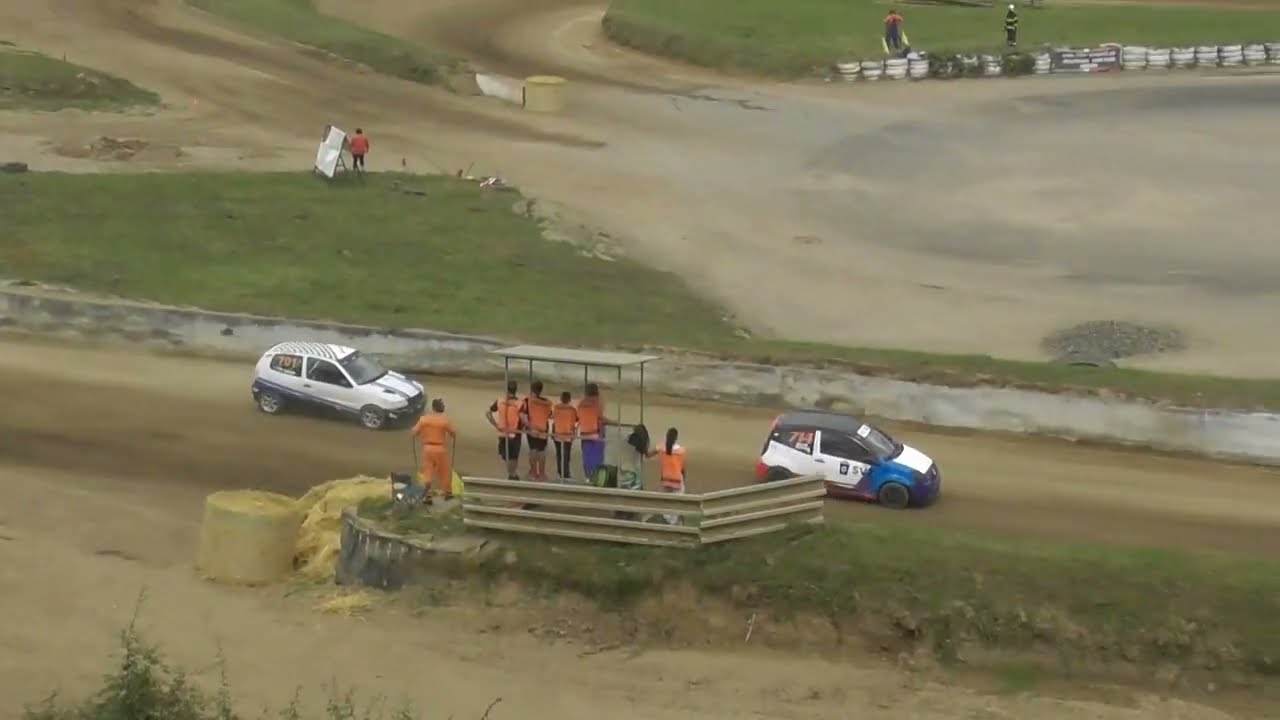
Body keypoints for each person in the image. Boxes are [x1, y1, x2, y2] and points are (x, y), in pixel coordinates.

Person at [411, 398, 458, 502]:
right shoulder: (444, 420)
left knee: (428, 472)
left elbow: (414, 432)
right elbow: (454, 433)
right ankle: (447, 493)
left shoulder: (424, 419)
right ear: (441, 408)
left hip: (427, 448)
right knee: (444, 471)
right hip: (440, 448)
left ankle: (427, 495)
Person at [645, 427, 686, 525]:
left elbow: (648, 454)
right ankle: (673, 522)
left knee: (666, 502)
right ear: (676, 438)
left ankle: (666, 520)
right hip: (676, 480)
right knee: (677, 503)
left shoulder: (661, 447)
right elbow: (682, 468)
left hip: (665, 480)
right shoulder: (681, 450)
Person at [486, 380, 523, 480]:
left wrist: (496, 425)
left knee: (507, 455)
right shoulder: (520, 403)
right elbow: (523, 417)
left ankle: (512, 474)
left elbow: (488, 413)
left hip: (502, 432)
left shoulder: (500, 400)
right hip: (515, 432)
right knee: (513, 456)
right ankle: (512, 474)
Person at [576, 382, 614, 481]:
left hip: (584, 432)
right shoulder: (597, 403)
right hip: (596, 432)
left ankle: (588, 476)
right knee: (598, 456)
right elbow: (600, 418)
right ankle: (596, 475)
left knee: (587, 456)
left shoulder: (581, 404)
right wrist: (613, 422)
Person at [521, 380, 554, 481]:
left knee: (533, 450)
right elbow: (550, 415)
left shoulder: (528, 400)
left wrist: (527, 426)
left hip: (532, 428)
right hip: (543, 428)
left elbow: (524, 416)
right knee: (541, 451)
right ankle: (542, 473)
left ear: (532, 389)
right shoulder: (547, 402)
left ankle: (533, 472)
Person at [551, 391, 578, 481]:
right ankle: (565, 473)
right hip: (567, 435)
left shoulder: (556, 408)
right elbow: (575, 421)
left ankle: (560, 471)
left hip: (557, 433)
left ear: (561, 399)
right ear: (569, 399)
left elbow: (554, 419)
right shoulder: (572, 410)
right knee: (566, 455)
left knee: (559, 454)